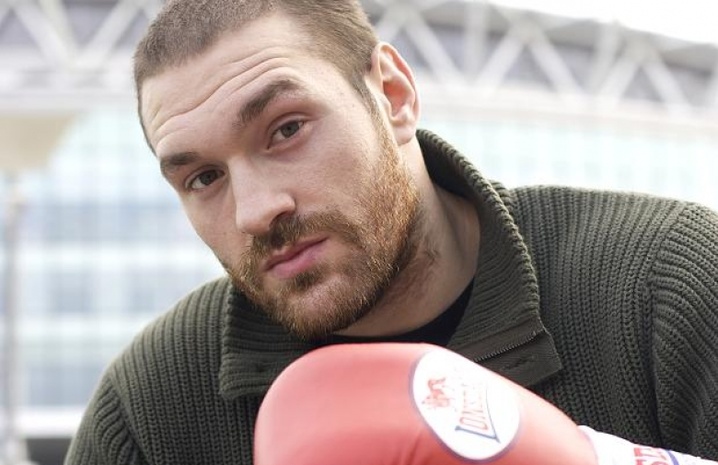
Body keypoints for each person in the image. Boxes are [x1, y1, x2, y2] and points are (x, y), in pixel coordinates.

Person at [65, 0, 718, 464]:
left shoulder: (671, 289)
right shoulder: (150, 409)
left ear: (394, 96)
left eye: (287, 129)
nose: (256, 211)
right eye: (204, 177)